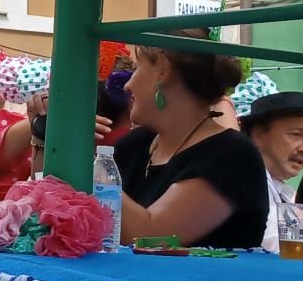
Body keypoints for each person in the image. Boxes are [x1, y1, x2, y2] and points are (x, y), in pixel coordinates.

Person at [111, 36, 272, 250]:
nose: (128, 85)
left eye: (139, 68)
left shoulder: (232, 155)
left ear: (163, 70)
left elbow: (152, 237)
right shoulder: (134, 145)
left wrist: (83, 164)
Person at [241, 92, 303, 253]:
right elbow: (285, 250)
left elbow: (296, 249)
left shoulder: (282, 191)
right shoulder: (245, 183)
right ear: (258, 135)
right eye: (296, 134)